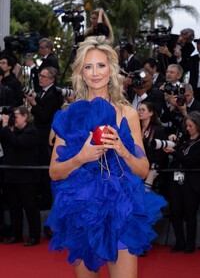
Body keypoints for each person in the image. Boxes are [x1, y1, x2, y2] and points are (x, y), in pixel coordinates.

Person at [45, 36, 166, 278]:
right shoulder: (69, 114)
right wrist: (81, 157)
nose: (95, 72)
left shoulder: (128, 114)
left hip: (121, 207)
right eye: (88, 66)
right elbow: (54, 172)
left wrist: (122, 149)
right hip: (82, 209)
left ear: (111, 70)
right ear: (81, 72)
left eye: (101, 65)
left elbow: (143, 170)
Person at [0, 106, 41, 246]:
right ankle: (16, 234)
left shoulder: (32, 131)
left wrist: (5, 127)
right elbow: (7, 142)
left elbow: (18, 143)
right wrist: (6, 128)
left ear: (24, 116)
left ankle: (35, 236)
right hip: (11, 175)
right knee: (14, 206)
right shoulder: (13, 131)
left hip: (26, 177)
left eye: (15, 115)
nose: (13, 118)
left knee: (30, 207)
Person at [25, 67, 64, 211]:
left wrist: (34, 104)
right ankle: (42, 197)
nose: (39, 78)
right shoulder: (43, 92)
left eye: (43, 76)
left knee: (46, 168)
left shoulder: (54, 94)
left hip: (47, 136)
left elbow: (45, 117)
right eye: (39, 76)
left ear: (52, 79)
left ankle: (47, 200)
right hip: (39, 135)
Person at [164, 111, 200, 254]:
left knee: (190, 214)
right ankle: (179, 242)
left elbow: (190, 161)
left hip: (191, 183)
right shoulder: (184, 139)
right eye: (187, 126)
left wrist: (174, 152)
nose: (188, 128)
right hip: (176, 180)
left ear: (198, 125)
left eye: (191, 126)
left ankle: (190, 244)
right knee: (175, 212)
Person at [138, 102, 168, 194]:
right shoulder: (137, 128)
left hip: (152, 168)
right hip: (137, 166)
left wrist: (145, 159)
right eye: (139, 110)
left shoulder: (157, 129)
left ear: (151, 113)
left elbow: (161, 153)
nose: (140, 112)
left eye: (143, 110)